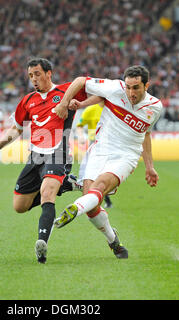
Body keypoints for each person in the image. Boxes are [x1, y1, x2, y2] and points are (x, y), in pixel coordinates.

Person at [0, 58, 86, 264]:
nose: (34, 79)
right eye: (30, 76)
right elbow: (16, 129)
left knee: (46, 193)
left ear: (49, 73)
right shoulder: (27, 101)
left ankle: (42, 244)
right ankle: (67, 184)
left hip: (59, 152)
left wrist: (73, 103)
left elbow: (90, 86)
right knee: (19, 206)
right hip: (36, 155)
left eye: (37, 74)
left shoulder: (65, 92)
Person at [54, 65, 163, 259]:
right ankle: (113, 240)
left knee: (100, 186)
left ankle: (75, 209)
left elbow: (145, 133)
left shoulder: (155, 107)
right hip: (99, 150)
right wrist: (64, 104)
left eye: (136, 87)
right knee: (92, 202)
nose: (131, 92)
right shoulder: (115, 88)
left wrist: (149, 167)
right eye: (128, 87)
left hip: (126, 156)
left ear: (147, 85)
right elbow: (80, 80)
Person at [77, 102, 113, 209]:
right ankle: (101, 198)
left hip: (111, 144)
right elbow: (80, 125)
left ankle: (98, 198)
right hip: (95, 144)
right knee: (98, 172)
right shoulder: (90, 110)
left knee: (105, 172)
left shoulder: (112, 109)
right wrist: (81, 137)